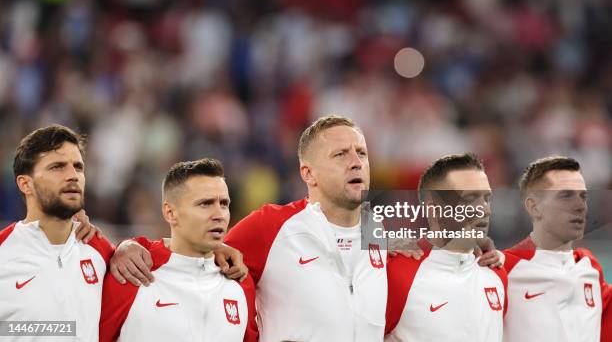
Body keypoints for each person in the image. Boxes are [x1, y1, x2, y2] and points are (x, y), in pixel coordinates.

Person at [110, 115, 501, 341]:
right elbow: (195, 249)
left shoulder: (380, 233)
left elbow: (433, 259)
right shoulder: (272, 226)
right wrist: (131, 244)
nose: (356, 162)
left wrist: (476, 248)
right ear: (307, 173)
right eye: (341, 154)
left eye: (361, 153)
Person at [99, 158, 257, 342]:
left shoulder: (240, 282)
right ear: (170, 213)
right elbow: (80, 332)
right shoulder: (133, 273)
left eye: (224, 204)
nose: (219, 215)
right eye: (205, 204)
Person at [0, 125, 113, 341]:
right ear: (26, 184)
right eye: (57, 167)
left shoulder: (102, 252)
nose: (73, 175)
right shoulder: (3, 252)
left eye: (78, 167)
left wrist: (129, 247)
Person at [385, 153, 507, 342]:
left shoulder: (496, 271)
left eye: (487, 198)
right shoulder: (393, 271)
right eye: (470, 198)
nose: (485, 209)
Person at [503, 156, 611, 342]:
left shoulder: (589, 267)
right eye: (565, 195)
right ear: (534, 207)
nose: (580, 206)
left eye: (583, 196)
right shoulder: (504, 269)